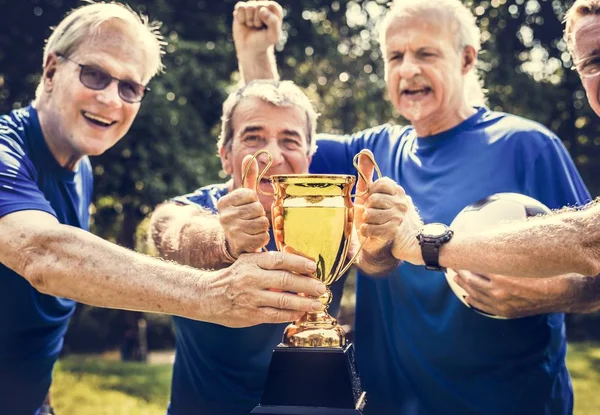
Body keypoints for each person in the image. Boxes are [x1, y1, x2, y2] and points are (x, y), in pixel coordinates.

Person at [232, 0, 593, 413]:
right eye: (395, 56)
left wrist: (551, 292)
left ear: (466, 59)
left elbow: (596, 267)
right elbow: (282, 145)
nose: (407, 70)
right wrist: (257, 53)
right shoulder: (368, 154)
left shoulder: (528, 146)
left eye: (425, 53)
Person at [0, 3, 328, 414]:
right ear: (50, 71)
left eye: (130, 88)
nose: (110, 99)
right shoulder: (7, 153)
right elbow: (43, 255)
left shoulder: (77, 165)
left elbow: (274, 124)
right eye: (95, 75)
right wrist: (215, 293)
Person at [149, 78, 350, 415]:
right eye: (253, 137)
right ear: (225, 155)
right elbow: (168, 230)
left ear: (308, 156)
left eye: (289, 140)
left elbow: (376, 258)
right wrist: (223, 240)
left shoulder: (334, 217)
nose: (272, 155)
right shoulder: (195, 208)